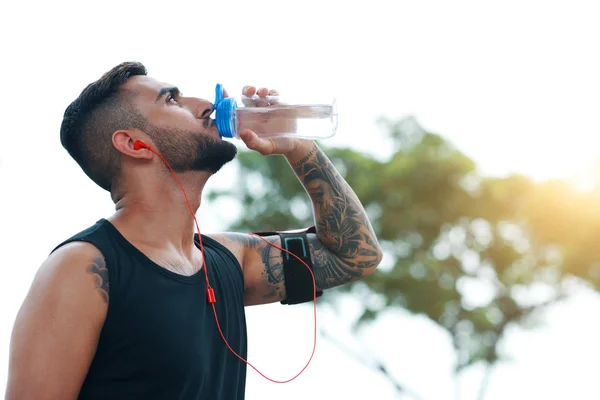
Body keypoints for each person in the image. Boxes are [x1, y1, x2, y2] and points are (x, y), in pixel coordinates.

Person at [5, 62, 383, 400]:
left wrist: (300, 149)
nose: (205, 104)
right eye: (171, 100)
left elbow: (354, 256)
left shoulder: (229, 260)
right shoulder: (83, 268)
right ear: (135, 144)